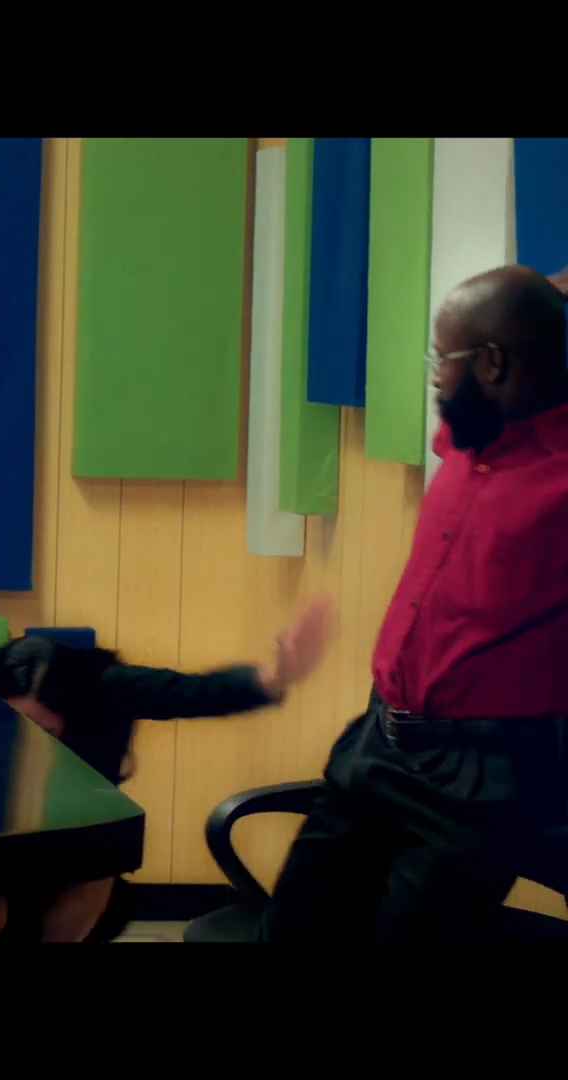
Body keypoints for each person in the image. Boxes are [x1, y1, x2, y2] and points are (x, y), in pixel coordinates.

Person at [259, 265, 568, 943]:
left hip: (477, 778)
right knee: (291, 930)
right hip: (378, 742)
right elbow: (532, 315)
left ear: (492, 364)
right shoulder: (471, 432)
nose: (433, 374)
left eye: (442, 356)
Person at [0, 593, 336, 943]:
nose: (32, 740)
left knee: (97, 864)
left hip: (78, 860)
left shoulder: (104, 688)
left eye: (44, 729)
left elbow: (193, 692)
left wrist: (272, 678)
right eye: (18, 726)